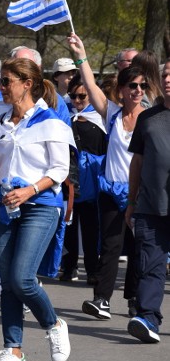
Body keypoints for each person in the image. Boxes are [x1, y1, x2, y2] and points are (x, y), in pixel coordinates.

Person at [0, 57, 73, 361]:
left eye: (6, 82)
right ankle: (13, 351)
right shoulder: (1, 119)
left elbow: (59, 169)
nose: (1, 87)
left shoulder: (51, 121)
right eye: (0, 82)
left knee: (22, 278)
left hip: (40, 205)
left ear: (27, 84)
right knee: (7, 282)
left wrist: (29, 190)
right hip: (3, 206)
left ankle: (53, 323)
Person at [68, 33, 145, 320]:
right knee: (110, 246)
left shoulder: (152, 117)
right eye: (132, 86)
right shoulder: (111, 114)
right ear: (122, 90)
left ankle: (135, 300)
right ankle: (101, 299)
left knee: (138, 250)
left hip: (140, 194)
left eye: (142, 86)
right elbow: (89, 84)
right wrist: (82, 55)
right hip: (111, 191)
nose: (138, 91)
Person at [126, 59, 170, 343]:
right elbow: (137, 162)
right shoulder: (148, 118)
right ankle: (148, 318)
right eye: (165, 74)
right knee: (150, 265)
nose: (167, 79)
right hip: (152, 205)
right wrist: (132, 202)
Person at [59, 77, 105, 285]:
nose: (77, 100)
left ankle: (92, 269)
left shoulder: (100, 118)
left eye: (82, 96)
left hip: (92, 179)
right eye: (73, 96)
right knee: (68, 224)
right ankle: (68, 267)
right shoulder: (64, 116)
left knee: (91, 228)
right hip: (68, 178)